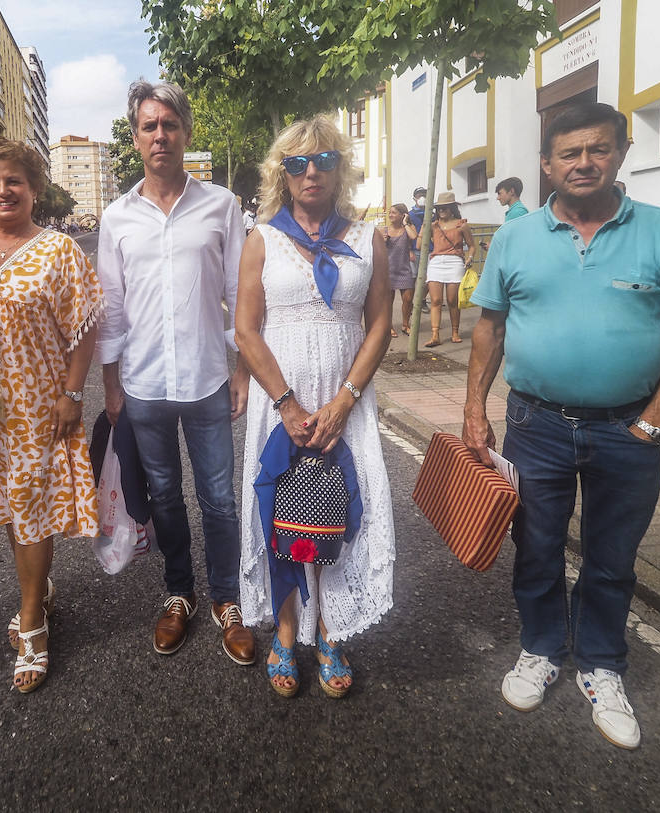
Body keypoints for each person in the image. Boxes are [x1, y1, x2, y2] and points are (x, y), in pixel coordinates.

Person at [463, 102, 660, 750]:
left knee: (611, 560)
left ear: (621, 154)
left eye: (597, 149)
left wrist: (654, 422)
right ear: (547, 165)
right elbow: (489, 327)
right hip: (535, 424)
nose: (584, 162)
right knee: (538, 548)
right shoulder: (515, 237)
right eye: (569, 153)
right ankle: (542, 648)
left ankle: (602, 665)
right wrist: (473, 408)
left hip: (628, 431)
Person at [234, 115, 396, 699]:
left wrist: (344, 401)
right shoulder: (262, 238)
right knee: (281, 511)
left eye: (324, 161)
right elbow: (247, 331)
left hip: (345, 396)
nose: (311, 173)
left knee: (342, 508)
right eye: (298, 162)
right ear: (283, 171)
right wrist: (287, 404)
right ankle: (285, 630)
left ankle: (329, 629)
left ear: (340, 169)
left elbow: (379, 324)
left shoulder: (366, 238)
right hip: (280, 400)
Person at [96, 80, 255, 666]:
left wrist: (243, 371)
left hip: (208, 377)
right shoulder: (117, 217)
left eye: (169, 124)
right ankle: (179, 593)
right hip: (142, 384)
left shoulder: (222, 205)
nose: (159, 134)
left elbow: (241, 293)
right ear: (135, 137)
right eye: (148, 125)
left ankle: (228, 602)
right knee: (163, 496)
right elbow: (111, 305)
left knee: (219, 498)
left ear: (186, 132)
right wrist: (111, 385)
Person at [0, 137, 103, 693]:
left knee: (31, 503)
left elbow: (85, 325)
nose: (3, 190)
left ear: (34, 190)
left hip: (38, 402)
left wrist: (72, 394)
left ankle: (32, 620)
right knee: (11, 503)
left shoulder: (59, 252)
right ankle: (41, 590)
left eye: (14, 181)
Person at [421, 192, 476, 347]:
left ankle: (455, 332)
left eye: (445, 207)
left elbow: (472, 245)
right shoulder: (433, 225)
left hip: (455, 262)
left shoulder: (462, 224)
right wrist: (423, 228)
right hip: (436, 262)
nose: (442, 211)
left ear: (452, 208)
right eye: (439, 208)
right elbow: (419, 245)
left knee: (453, 300)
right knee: (436, 300)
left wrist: (469, 258)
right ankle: (435, 334)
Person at [383, 203, 418, 338]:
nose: (390, 215)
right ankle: (389, 326)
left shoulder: (408, 228)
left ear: (402, 215)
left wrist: (405, 223)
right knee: (388, 301)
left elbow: (414, 237)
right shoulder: (385, 230)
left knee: (408, 299)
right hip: (388, 270)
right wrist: (383, 240)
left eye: (394, 213)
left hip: (404, 269)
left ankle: (405, 324)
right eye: (390, 212)